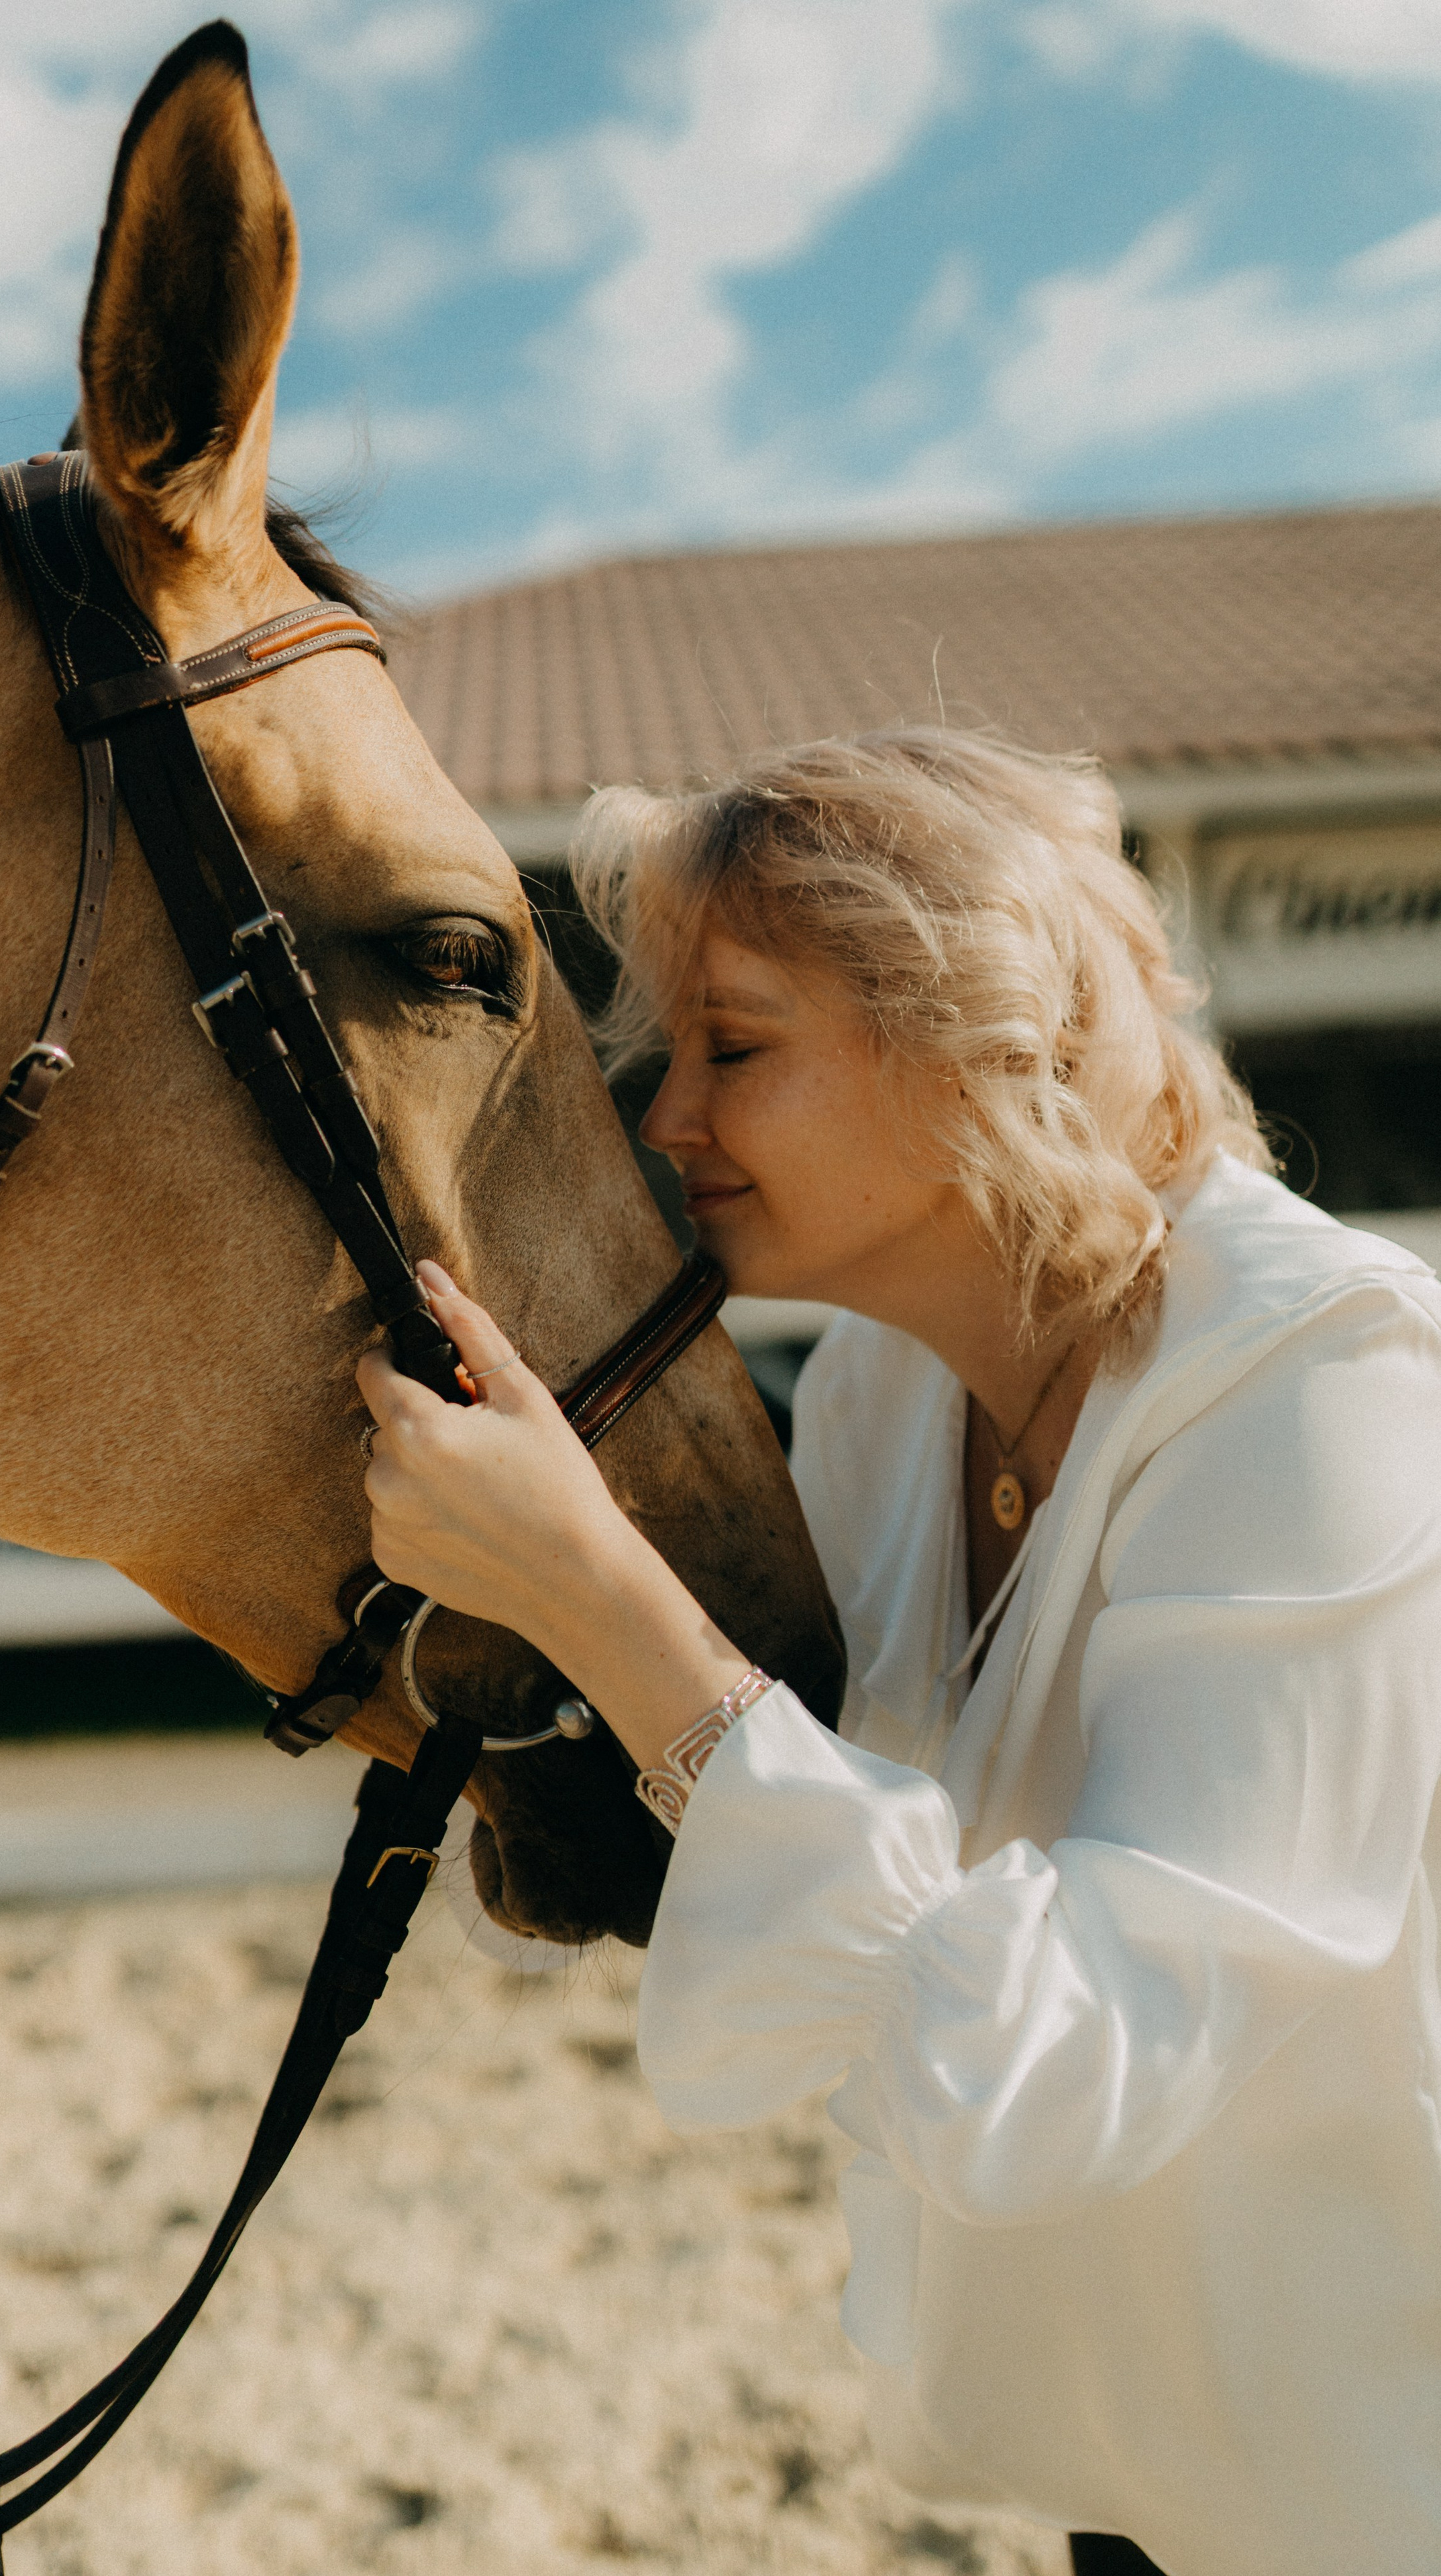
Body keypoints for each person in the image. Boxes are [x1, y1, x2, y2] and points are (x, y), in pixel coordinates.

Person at [356, 728, 1441, 2576]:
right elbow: (826, 1870)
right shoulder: (878, 1387)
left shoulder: (1322, 1386)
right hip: (1144, 2478)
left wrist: (601, 1596)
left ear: (973, 1048)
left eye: (736, 1046)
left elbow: (1066, 2050)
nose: (667, 1115)